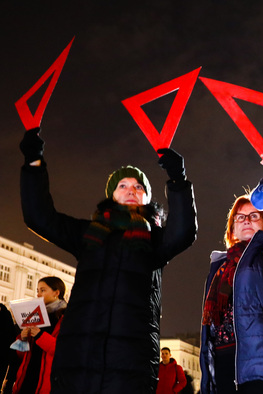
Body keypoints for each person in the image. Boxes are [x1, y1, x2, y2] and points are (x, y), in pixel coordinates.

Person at [19, 128, 197, 393]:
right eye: (123, 185)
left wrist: (178, 180)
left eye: (138, 187)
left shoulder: (156, 239)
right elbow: (40, 217)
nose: (131, 190)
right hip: (79, 356)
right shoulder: (89, 233)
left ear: (147, 197)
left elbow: (184, 232)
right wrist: (34, 163)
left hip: (130, 362)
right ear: (112, 194)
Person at [200, 147, 263, 393]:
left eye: (255, 215)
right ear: (231, 230)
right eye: (240, 217)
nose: (246, 220)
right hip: (225, 367)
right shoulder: (219, 267)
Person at [12, 277, 67, 394]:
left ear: (56, 293)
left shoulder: (65, 317)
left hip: (46, 384)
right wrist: (23, 338)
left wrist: (41, 336)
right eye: (37, 291)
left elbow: (64, 351)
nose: (38, 294)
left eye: (43, 290)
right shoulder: (34, 315)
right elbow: (21, 355)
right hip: (25, 381)